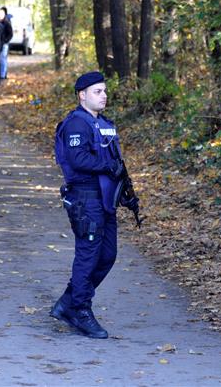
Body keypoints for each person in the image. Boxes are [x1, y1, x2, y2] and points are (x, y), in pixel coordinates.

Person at [50, 71, 129, 339]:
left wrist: (127, 191)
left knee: (107, 255)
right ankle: (80, 309)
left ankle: (69, 302)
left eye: (105, 91)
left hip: (105, 200)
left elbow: (116, 161)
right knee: (88, 255)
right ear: (82, 95)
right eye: (98, 91)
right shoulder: (76, 124)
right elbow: (78, 159)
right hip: (86, 198)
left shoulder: (104, 123)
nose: (104, 95)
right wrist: (108, 166)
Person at [0, 6, 14, 81]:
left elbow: (10, 34)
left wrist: (5, 41)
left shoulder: (6, 22)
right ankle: (1, 74)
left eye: (1, 13)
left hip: (4, 44)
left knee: (3, 59)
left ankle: (2, 75)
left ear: (4, 14)